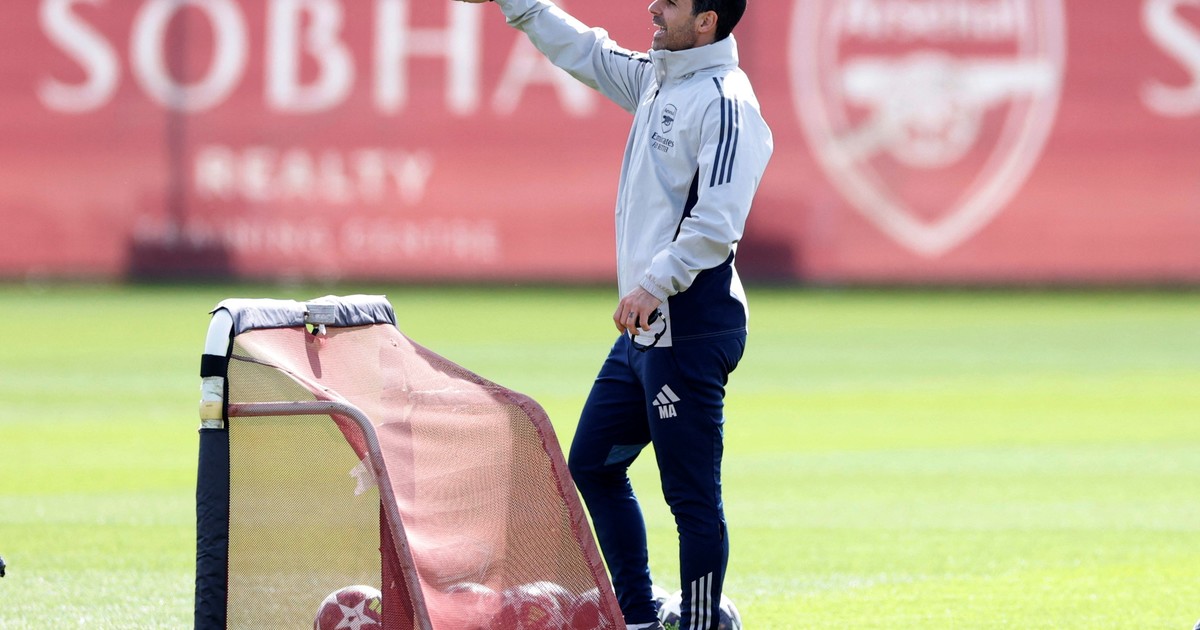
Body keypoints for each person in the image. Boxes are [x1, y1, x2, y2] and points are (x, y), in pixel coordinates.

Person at [454, 0, 773, 627]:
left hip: (690, 323)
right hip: (647, 329)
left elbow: (718, 222)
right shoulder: (659, 77)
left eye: (671, 3)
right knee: (594, 465)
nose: (653, 8)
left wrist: (655, 282)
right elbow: (588, 52)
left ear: (706, 21)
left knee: (691, 499)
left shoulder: (727, 101)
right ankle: (639, 616)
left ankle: (701, 623)